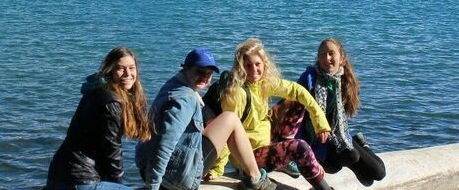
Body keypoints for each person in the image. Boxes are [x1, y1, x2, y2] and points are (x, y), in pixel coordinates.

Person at [136, 48, 276, 190]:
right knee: (231, 119)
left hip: (146, 166)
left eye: (208, 74)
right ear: (187, 68)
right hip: (175, 180)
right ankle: (255, 178)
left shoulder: (173, 85)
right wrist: (153, 186)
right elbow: (165, 144)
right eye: (200, 72)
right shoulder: (184, 101)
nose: (204, 77)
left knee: (211, 114)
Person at [208, 38, 334, 190]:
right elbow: (227, 133)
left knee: (296, 100)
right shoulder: (237, 94)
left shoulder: (263, 83)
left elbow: (297, 90)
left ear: (264, 64)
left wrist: (319, 121)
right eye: (247, 66)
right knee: (299, 147)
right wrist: (217, 168)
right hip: (250, 157)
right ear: (240, 67)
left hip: (267, 141)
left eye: (257, 64)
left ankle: (284, 160)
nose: (254, 70)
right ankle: (325, 188)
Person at [46, 46, 151, 190]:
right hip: (80, 179)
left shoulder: (96, 91)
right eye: (121, 69)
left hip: (60, 173)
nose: (128, 74)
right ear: (110, 70)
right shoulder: (111, 101)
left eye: (132, 68)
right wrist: (117, 183)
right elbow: (112, 147)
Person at [291, 38, 386, 185]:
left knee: (379, 173)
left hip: (340, 136)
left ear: (342, 58)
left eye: (331, 53)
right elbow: (293, 116)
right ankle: (356, 145)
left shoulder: (343, 81)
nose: (326, 58)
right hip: (317, 143)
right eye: (322, 55)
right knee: (344, 161)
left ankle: (362, 143)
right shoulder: (309, 79)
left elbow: (341, 119)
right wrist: (299, 152)